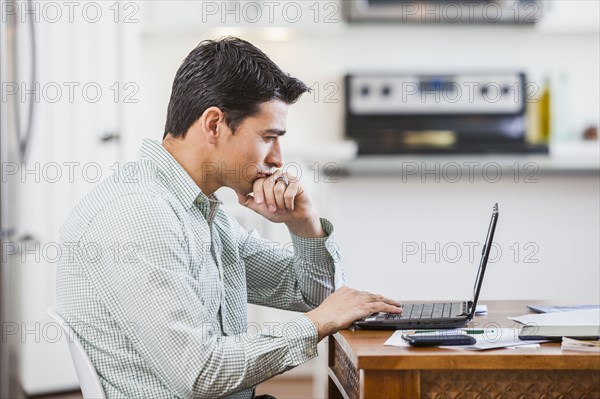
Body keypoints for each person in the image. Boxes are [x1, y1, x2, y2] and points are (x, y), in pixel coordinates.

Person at [56, 37, 402, 399]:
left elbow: (316, 296)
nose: (278, 159)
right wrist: (315, 325)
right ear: (214, 125)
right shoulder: (140, 215)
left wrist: (303, 224)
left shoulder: (200, 211)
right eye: (269, 137)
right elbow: (202, 373)